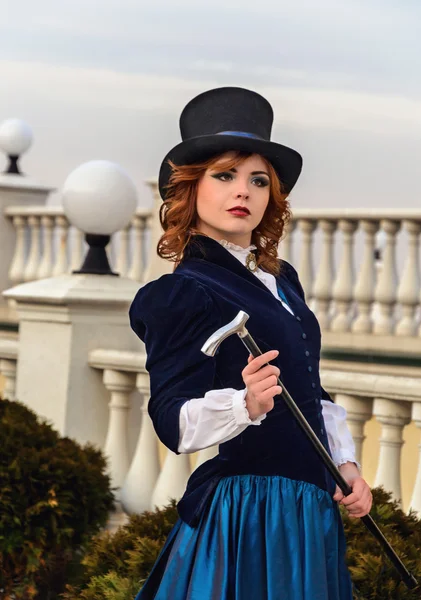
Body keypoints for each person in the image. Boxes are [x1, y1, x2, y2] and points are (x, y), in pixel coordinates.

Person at [129, 86, 372, 600]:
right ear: (190, 191)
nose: (244, 191)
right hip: (251, 514)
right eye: (224, 175)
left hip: (307, 509)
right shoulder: (183, 293)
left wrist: (344, 464)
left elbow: (310, 387)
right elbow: (172, 421)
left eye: (257, 180)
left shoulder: (282, 283)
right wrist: (245, 402)